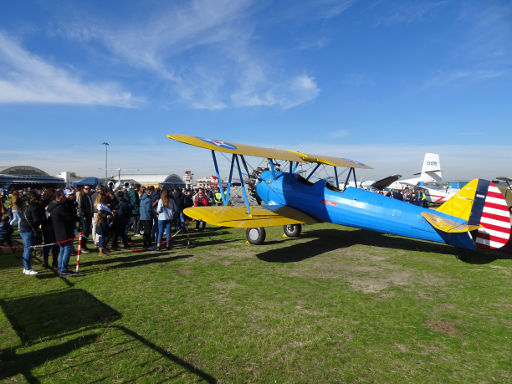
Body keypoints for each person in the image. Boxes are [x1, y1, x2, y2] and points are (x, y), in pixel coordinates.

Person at [49, 190, 77, 277]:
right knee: (67, 249)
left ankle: (61, 268)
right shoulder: (60, 208)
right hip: (64, 232)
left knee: (62, 250)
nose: (65, 197)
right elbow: (70, 217)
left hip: (59, 231)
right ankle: (63, 269)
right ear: (59, 197)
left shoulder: (53, 206)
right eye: (63, 196)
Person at [18, 191, 45, 275]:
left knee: (27, 249)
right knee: (28, 249)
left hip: (23, 228)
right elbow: (36, 221)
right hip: (28, 229)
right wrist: (44, 217)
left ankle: (26, 267)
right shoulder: (34, 207)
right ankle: (27, 269)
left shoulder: (26, 205)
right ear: (36, 199)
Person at [41, 189, 59, 268]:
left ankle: (54, 261)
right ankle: (45, 261)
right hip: (48, 225)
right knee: (48, 244)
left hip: (54, 225)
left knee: (55, 245)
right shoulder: (44, 203)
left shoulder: (54, 202)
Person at [77, 185, 94, 253]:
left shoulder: (89, 196)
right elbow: (80, 207)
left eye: (89, 189)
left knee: (87, 231)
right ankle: (82, 246)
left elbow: (90, 206)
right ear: (83, 189)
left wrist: (91, 213)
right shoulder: (82, 196)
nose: (88, 190)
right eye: (86, 189)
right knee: (85, 231)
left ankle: (84, 245)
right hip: (85, 216)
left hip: (89, 215)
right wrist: (83, 215)